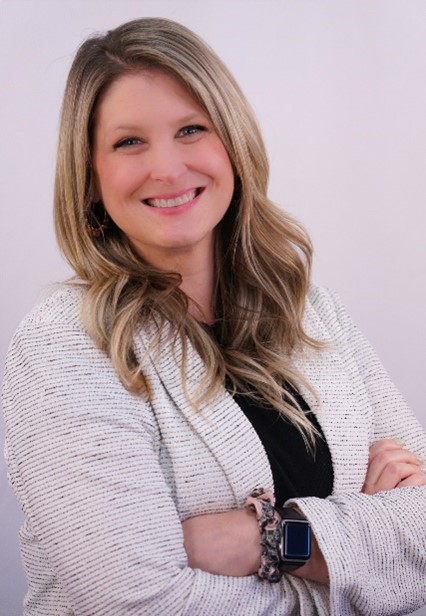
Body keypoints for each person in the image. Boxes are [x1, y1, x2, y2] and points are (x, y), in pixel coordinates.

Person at [2, 17, 426, 616]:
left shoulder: (311, 310)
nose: (168, 169)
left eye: (191, 129)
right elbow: (141, 604)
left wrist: (267, 540)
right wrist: (364, 568)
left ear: (233, 143)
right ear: (90, 176)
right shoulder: (65, 346)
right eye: (129, 142)